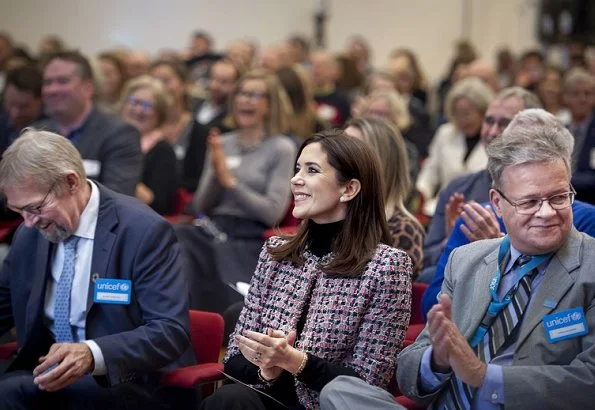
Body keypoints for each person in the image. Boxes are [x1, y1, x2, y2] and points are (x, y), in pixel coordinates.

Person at [321, 109, 595, 410]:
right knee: (340, 390)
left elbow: (588, 382)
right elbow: (411, 371)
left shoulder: (589, 267)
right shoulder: (467, 259)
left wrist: (484, 376)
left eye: (558, 198)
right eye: (529, 202)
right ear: (497, 203)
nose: (547, 212)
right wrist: (437, 361)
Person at [200, 129, 413, 410]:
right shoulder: (276, 252)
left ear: (349, 189)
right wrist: (267, 370)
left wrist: (295, 361)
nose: (295, 179)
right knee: (231, 399)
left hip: (327, 406)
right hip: (265, 399)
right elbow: (235, 359)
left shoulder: (387, 266)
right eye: (297, 168)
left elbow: (368, 384)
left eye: (312, 170)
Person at [0, 130, 194, 409]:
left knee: (9, 394)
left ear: (71, 183)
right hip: (48, 372)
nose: (29, 222)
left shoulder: (142, 231)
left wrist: (91, 354)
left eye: (36, 208)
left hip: (128, 380)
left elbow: (170, 330)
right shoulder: (30, 235)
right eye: (19, 211)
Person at [176, 69, 296, 313]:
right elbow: (200, 206)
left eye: (254, 95)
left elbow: (272, 212)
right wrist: (216, 176)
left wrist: (230, 182)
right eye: (241, 94)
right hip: (212, 228)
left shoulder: (281, 148)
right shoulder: (223, 142)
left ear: (270, 105)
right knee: (176, 236)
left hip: (248, 238)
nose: (245, 100)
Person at [420, 87, 542, 283]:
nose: (492, 131)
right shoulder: (457, 189)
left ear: (533, 130)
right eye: (489, 121)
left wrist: (495, 245)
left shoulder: (543, 195)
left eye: (505, 123)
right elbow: (426, 258)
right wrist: (450, 241)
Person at [35, 50, 142, 197]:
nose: (53, 89)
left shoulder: (119, 134)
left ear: (88, 88)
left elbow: (116, 198)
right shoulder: (35, 133)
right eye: (48, 82)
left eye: (62, 81)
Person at [345, 117, 425, 276]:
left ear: (379, 162)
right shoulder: (329, 216)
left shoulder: (402, 229)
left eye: (351, 150)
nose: (338, 156)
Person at [416, 77, 494, 216]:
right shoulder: (445, 133)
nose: (462, 120)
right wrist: (422, 193)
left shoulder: (494, 138)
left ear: (484, 112)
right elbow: (430, 171)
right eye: (457, 114)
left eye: (467, 114)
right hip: (441, 209)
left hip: (481, 211)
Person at [119, 75, 178, 215]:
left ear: (160, 114)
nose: (138, 110)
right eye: (134, 102)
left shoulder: (162, 151)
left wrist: (119, 174)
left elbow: (160, 205)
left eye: (147, 105)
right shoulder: (110, 140)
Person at [151, 59, 210, 192]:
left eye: (166, 80)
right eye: (154, 82)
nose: (160, 87)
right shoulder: (144, 129)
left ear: (183, 85)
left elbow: (199, 181)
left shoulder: (199, 132)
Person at [563, 68, 595, 204]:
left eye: (587, 94)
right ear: (565, 98)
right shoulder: (561, 131)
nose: (582, 99)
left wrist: (560, 180)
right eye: (576, 94)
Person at [0, 65, 44, 157]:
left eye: (23, 107)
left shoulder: (52, 128)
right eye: (10, 104)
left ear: (40, 100)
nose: (15, 113)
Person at [194, 59, 239, 133]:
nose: (215, 86)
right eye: (213, 79)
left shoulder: (233, 117)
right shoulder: (195, 104)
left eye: (223, 82)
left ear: (235, 85)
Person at [311, 51, 351, 127]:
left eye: (321, 65)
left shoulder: (342, 99)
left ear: (335, 71)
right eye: (313, 65)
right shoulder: (305, 96)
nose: (316, 70)